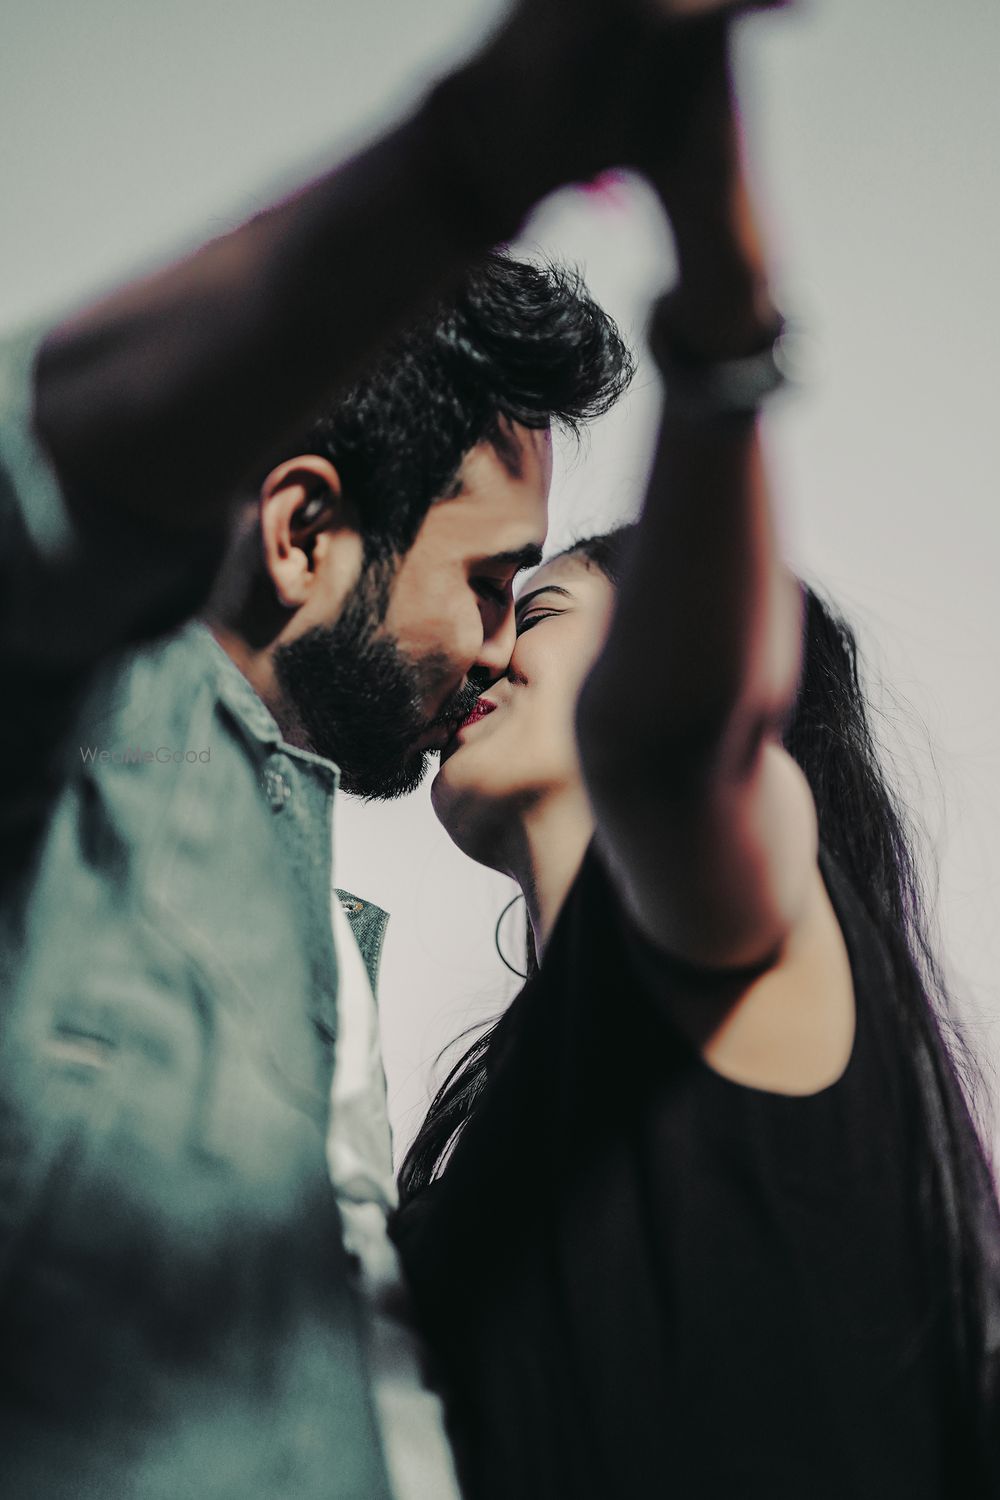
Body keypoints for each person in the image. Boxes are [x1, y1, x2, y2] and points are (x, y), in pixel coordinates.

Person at [0, 0, 723, 1490]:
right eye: (486, 581)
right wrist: (469, 155)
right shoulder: (84, 775)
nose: (504, 643)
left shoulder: (320, 928)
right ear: (307, 533)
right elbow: (44, 476)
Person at [394, 19, 1000, 1499]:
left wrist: (720, 315)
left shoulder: (743, 916)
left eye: (533, 605)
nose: (484, 648)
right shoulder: (518, 1099)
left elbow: (669, 744)